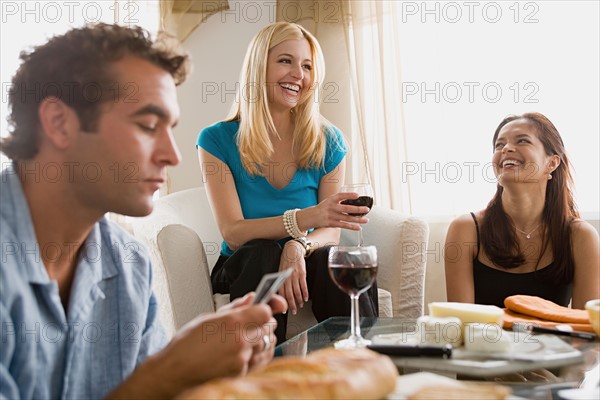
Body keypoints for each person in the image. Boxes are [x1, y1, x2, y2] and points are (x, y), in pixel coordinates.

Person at [0, 23, 286, 400]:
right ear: (58, 122)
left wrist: (205, 377)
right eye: (149, 125)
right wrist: (170, 372)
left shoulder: (129, 264)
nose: (173, 155)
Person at [197, 22, 379, 342]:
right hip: (246, 264)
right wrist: (306, 219)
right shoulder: (216, 140)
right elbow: (234, 232)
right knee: (262, 251)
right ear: (259, 66)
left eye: (307, 66)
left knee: (333, 257)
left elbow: (332, 230)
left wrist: (299, 244)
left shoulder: (328, 141)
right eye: (286, 61)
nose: (299, 74)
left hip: (307, 258)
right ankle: (260, 370)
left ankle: (363, 362)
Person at [444, 112, 600, 309]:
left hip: (557, 341)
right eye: (499, 145)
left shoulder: (580, 236)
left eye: (522, 141)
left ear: (551, 163)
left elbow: (584, 329)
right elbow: (460, 322)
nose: (506, 148)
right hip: (484, 341)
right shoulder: (465, 229)